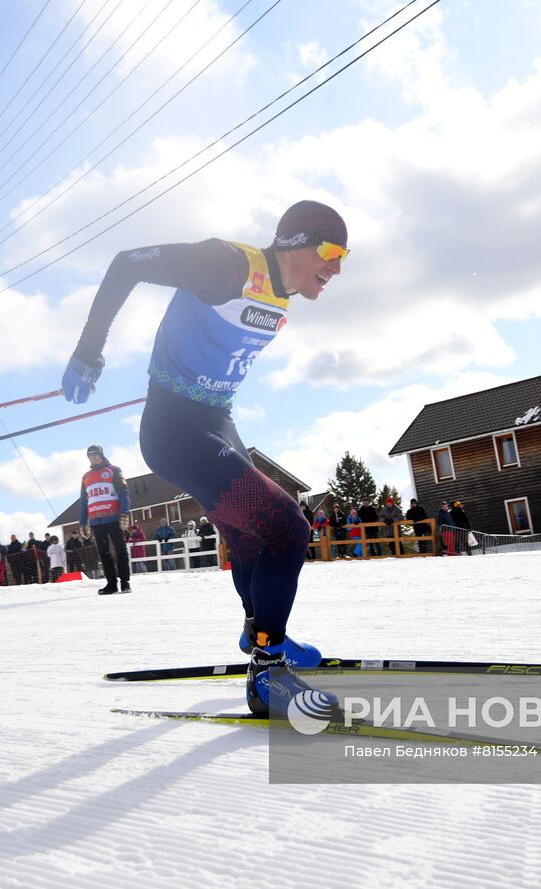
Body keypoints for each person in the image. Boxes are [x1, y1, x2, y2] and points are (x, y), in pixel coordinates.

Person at [61, 199, 348, 715]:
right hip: (175, 429)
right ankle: (268, 670)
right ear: (293, 244)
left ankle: (259, 633)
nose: (337, 268)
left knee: (251, 535)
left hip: (216, 422)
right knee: (289, 527)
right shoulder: (228, 264)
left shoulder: (280, 293)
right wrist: (88, 349)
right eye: (330, 251)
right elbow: (128, 262)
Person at [79, 444, 132, 595]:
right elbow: (83, 501)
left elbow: (124, 493)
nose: (93, 457)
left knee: (120, 551)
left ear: (101, 454)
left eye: (95, 454)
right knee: (104, 554)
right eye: (90, 455)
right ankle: (111, 584)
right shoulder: (85, 477)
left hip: (114, 517)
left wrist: (124, 513)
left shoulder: (114, 470)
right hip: (96, 520)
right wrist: (82, 522)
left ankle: (125, 583)